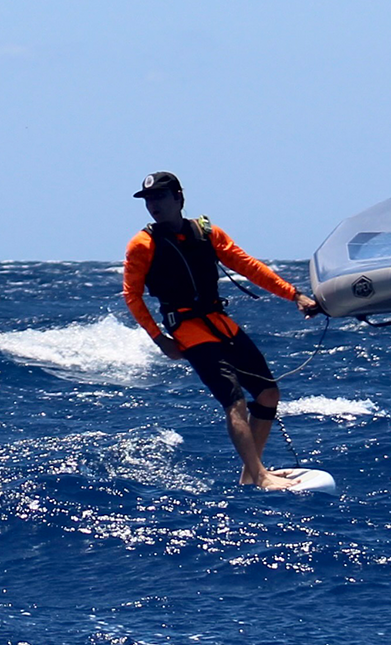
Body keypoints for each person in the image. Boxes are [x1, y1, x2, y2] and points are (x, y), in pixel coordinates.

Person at [122, 171, 321, 489]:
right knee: (235, 402)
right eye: (148, 200)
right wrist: (160, 339)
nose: (153, 205)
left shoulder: (207, 233)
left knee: (269, 393)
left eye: (160, 197)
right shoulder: (142, 245)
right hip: (188, 329)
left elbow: (249, 266)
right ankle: (259, 475)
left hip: (219, 322)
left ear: (178, 198)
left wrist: (295, 295)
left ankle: (251, 474)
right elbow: (132, 295)